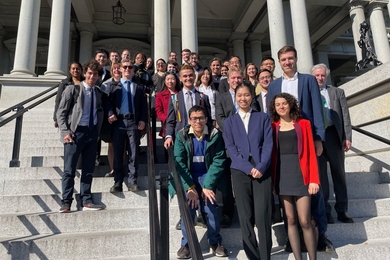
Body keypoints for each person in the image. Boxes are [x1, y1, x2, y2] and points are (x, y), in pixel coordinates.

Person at [266, 45, 333, 252]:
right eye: (283, 59)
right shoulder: (275, 85)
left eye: (290, 58)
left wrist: (318, 138)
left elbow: (316, 110)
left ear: (295, 59)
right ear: (279, 62)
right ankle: (291, 238)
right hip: (285, 143)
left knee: (315, 191)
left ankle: (319, 234)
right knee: (288, 205)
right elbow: (272, 117)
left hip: (307, 140)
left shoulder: (308, 80)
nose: (287, 62)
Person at [171, 105, 229, 259]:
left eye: (201, 118)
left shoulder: (215, 134)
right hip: (188, 176)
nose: (198, 121)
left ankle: (215, 242)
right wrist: (190, 187)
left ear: (206, 119)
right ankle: (187, 244)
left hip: (207, 174)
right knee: (188, 208)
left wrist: (208, 185)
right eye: (194, 118)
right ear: (189, 120)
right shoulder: (181, 135)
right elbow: (179, 163)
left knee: (210, 207)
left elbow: (219, 160)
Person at [223, 84, 273, 260]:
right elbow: (230, 148)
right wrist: (247, 168)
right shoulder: (229, 122)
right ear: (235, 97)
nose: (243, 98)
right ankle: (253, 256)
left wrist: (260, 167)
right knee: (245, 216)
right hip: (240, 170)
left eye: (246, 95)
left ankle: (266, 256)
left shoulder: (263, 118)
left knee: (263, 216)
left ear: (252, 96)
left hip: (262, 168)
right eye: (239, 95)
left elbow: (268, 144)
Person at [269, 92, 320, 260]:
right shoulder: (273, 126)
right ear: (274, 108)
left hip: (301, 174)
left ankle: (313, 258)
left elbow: (311, 153)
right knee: (290, 219)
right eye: (278, 104)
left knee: (304, 220)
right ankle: (298, 258)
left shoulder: (304, 124)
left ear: (290, 104)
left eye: (284, 103)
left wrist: (314, 179)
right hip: (282, 175)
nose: (281, 106)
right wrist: (274, 183)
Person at [56, 59, 105, 212]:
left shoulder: (98, 92)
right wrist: (65, 131)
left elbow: (99, 111)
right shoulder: (73, 89)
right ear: (85, 73)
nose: (92, 76)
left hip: (91, 133)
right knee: (69, 169)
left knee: (88, 168)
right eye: (90, 73)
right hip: (75, 133)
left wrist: (97, 131)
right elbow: (61, 112)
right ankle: (66, 201)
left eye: (95, 74)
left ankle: (86, 199)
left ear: (98, 76)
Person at [311, 63, 354, 224]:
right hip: (317, 138)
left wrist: (347, 136)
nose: (320, 78)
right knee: (321, 176)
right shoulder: (309, 93)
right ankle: (326, 211)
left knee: (339, 174)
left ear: (326, 76)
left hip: (334, 136)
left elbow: (345, 116)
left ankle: (342, 210)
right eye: (317, 75)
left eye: (322, 75)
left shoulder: (337, 92)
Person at [104, 59, 147, 193]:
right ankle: (117, 181)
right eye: (125, 67)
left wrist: (143, 120)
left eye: (130, 67)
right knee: (118, 153)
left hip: (133, 123)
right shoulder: (113, 86)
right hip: (119, 123)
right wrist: (110, 112)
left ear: (133, 70)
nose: (127, 69)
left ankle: (132, 180)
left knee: (133, 153)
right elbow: (106, 102)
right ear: (121, 69)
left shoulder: (138, 87)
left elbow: (144, 106)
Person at [163, 64, 212, 149]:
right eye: (185, 76)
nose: (188, 78)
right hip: (181, 137)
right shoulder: (174, 99)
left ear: (194, 77)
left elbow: (208, 120)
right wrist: (168, 136)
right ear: (180, 79)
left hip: (200, 137)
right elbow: (171, 121)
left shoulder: (203, 97)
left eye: (190, 75)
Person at [101, 62, 122, 178]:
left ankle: (120, 168)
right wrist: (109, 113)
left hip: (123, 118)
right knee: (111, 145)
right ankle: (113, 169)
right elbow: (105, 101)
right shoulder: (105, 84)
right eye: (114, 68)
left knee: (122, 145)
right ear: (111, 71)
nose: (117, 70)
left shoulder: (126, 83)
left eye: (119, 68)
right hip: (111, 118)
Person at [155, 71, 181, 155]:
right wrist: (167, 119)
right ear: (165, 81)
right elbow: (158, 110)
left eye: (172, 79)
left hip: (181, 125)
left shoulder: (181, 93)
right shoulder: (160, 95)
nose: (170, 81)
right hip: (167, 125)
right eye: (168, 79)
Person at [53, 62, 83, 128]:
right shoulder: (64, 83)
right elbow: (58, 100)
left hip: (81, 114)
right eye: (73, 69)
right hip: (67, 113)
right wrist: (56, 118)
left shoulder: (85, 83)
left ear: (81, 70)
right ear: (70, 70)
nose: (75, 70)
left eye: (77, 69)